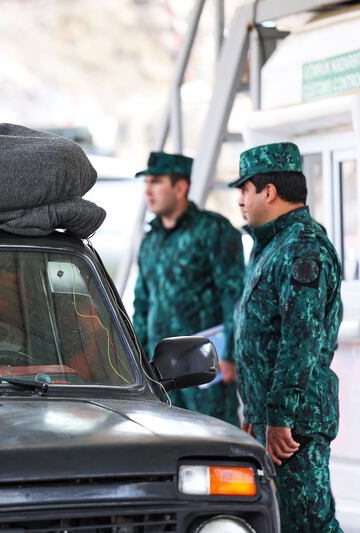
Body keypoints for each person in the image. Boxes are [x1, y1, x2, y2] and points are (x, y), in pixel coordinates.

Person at [230, 142, 342, 531]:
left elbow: (301, 339)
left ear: (269, 191)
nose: (241, 200)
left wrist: (278, 418)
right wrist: (257, 414)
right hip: (276, 419)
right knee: (286, 523)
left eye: (244, 190)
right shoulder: (271, 246)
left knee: (310, 524)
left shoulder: (302, 248)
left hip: (295, 425)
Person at [133, 151, 244, 425]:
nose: (148, 190)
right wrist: (135, 359)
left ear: (180, 187)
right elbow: (142, 305)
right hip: (160, 372)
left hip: (205, 369)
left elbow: (234, 296)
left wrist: (231, 354)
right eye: (146, 182)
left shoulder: (213, 230)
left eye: (156, 182)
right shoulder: (151, 241)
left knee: (214, 439)